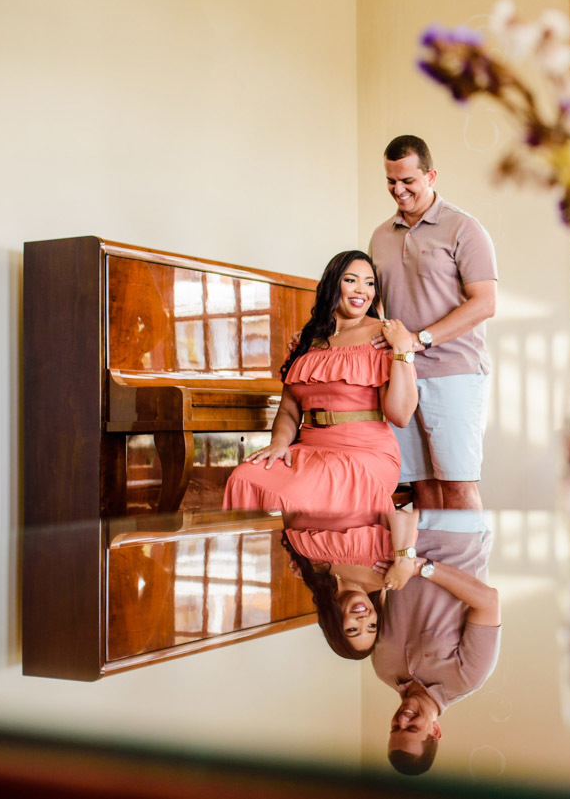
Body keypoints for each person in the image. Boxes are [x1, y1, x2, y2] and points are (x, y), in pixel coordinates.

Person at [223, 250, 417, 514]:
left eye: (369, 283)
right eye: (351, 280)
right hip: (308, 450)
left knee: (299, 494)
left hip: (363, 453)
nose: (362, 290)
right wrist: (279, 443)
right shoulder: (306, 339)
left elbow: (401, 416)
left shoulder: (382, 335)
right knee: (244, 478)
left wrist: (403, 350)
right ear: (332, 284)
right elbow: (289, 410)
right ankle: (280, 555)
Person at [369, 135, 497, 513]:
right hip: (400, 376)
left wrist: (419, 339)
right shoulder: (379, 236)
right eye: (391, 180)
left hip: (454, 373)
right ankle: (425, 573)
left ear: (431, 175)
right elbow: (373, 305)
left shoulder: (464, 228)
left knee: (457, 486)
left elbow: (485, 303)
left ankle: (467, 572)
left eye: (408, 180)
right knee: (422, 486)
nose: (398, 189)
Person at [370, 510, 501, 775]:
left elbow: (374, 591)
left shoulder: (382, 668)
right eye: (412, 728)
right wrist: (420, 568)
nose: (402, 719)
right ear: (436, 730)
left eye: (395, 727)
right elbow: (488, 601)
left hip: (404, 534)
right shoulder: (467, 677)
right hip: (459, 536)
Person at [281, 508, 421, 660]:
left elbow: (289, 516)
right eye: (372, 626)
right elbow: (402, 513)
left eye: (352, 629)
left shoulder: (307, 571)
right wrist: (405, 560)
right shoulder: (385, 574)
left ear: (334, 624)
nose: (363, 620)